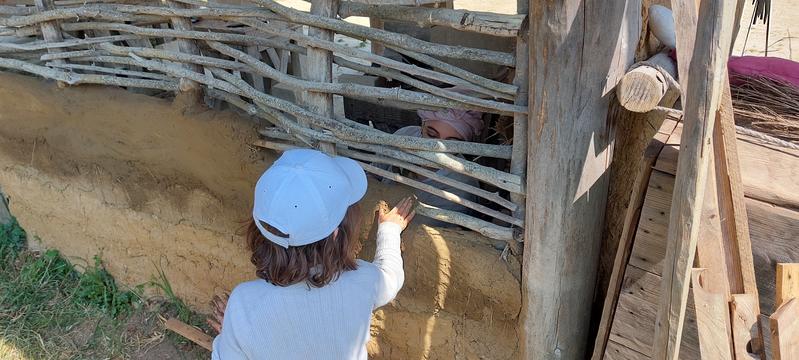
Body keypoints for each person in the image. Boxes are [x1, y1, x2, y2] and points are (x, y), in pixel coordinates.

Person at [207, 148, 415, 359]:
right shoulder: (363, 281)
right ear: (336, 234)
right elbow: (391, 277)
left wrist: (231, 335)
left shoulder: (243, 303)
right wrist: (390, 231)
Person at [379, 107, 484, 227]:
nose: (437, 149)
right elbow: (372, 173)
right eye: (431, 135)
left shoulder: (460, 188)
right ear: (422, 125)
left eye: (451, 144)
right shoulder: (405, 135)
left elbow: (421, 232)